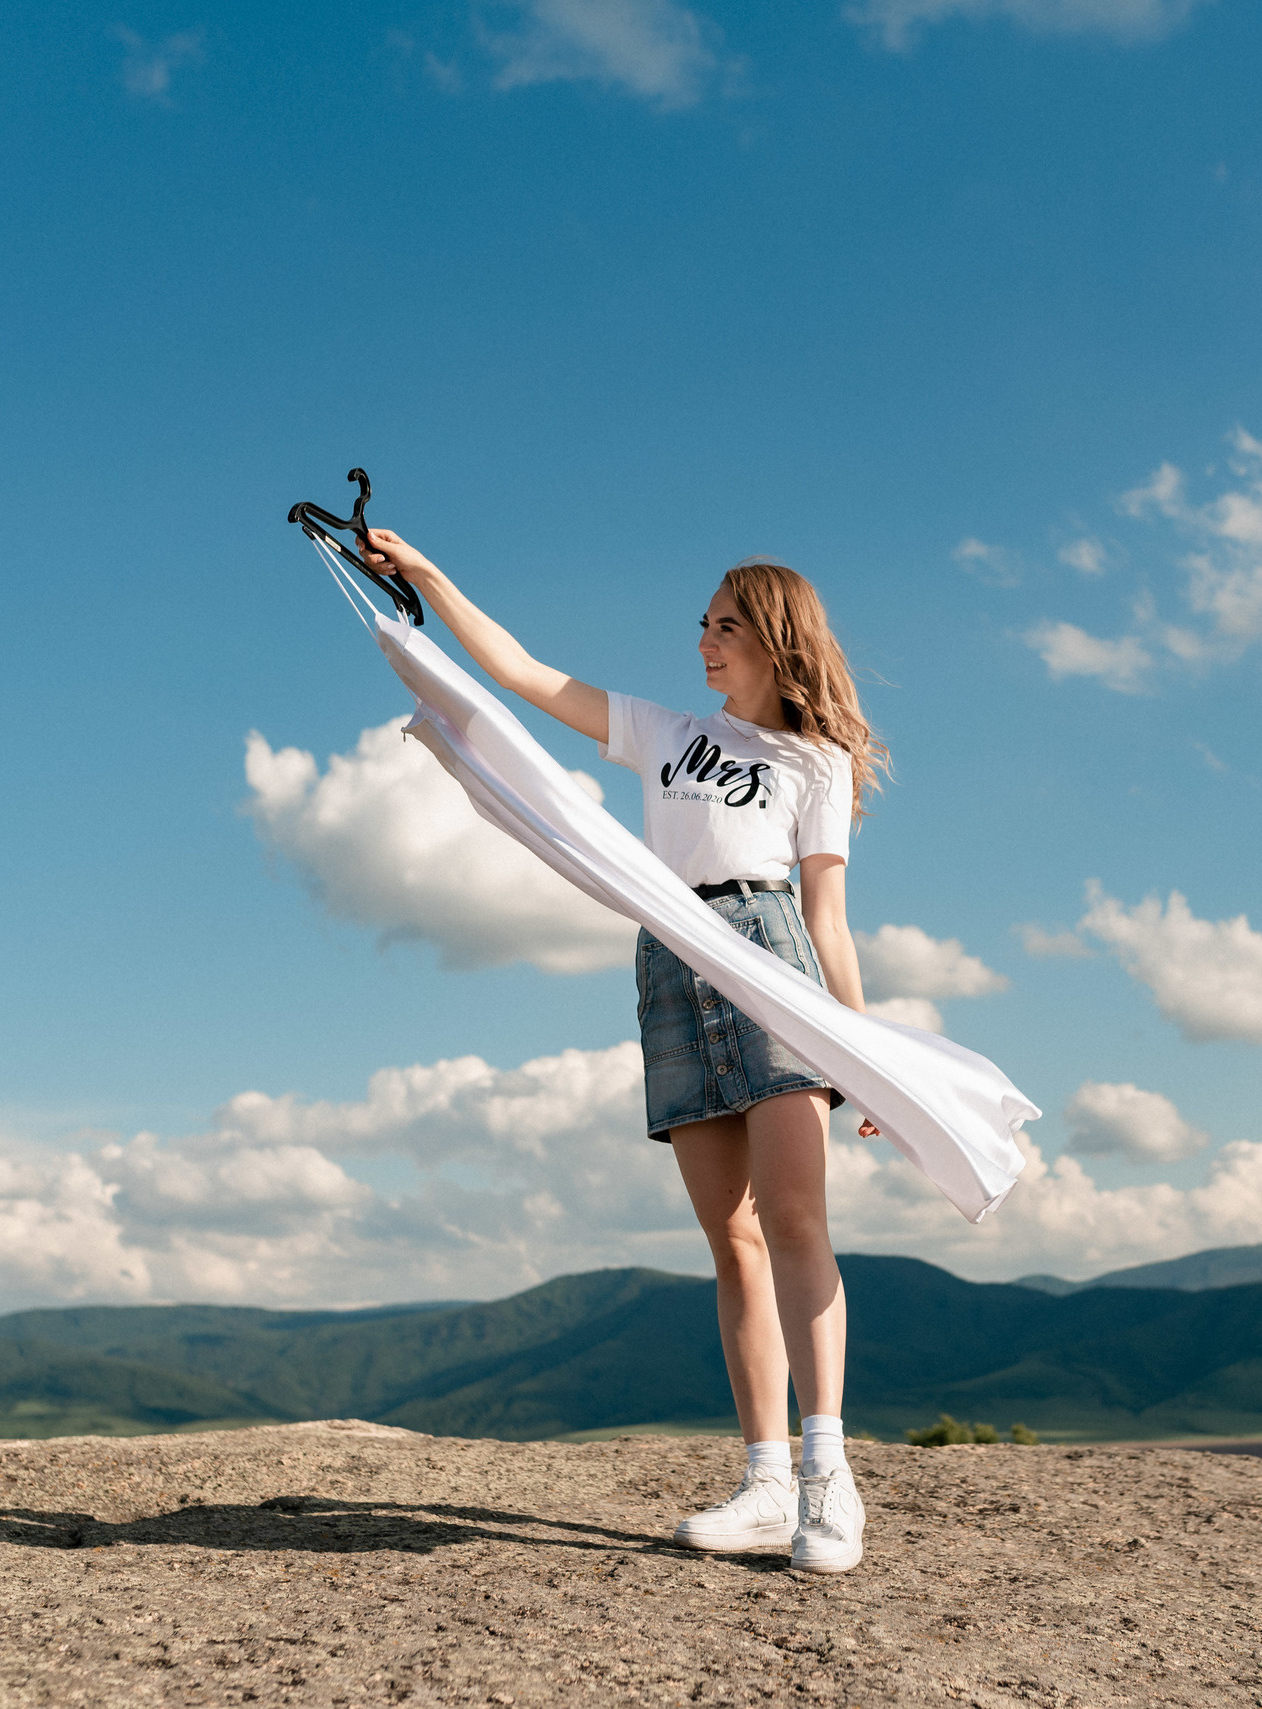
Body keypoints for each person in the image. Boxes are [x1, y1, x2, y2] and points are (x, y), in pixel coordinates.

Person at [358, 528, 884, 1575]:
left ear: (777, 637)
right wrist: (428, 577)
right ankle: (767, 1479)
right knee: (728, 1237)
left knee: (793, 1218)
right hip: (670, 957)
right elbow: (520, 673)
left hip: (769, 952)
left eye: (725, 623)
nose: (704, 639)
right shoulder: (663, 729)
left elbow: (827, 912)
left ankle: (830, 1479)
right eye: (702, 623)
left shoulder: (813, 761)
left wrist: (860, 1044)